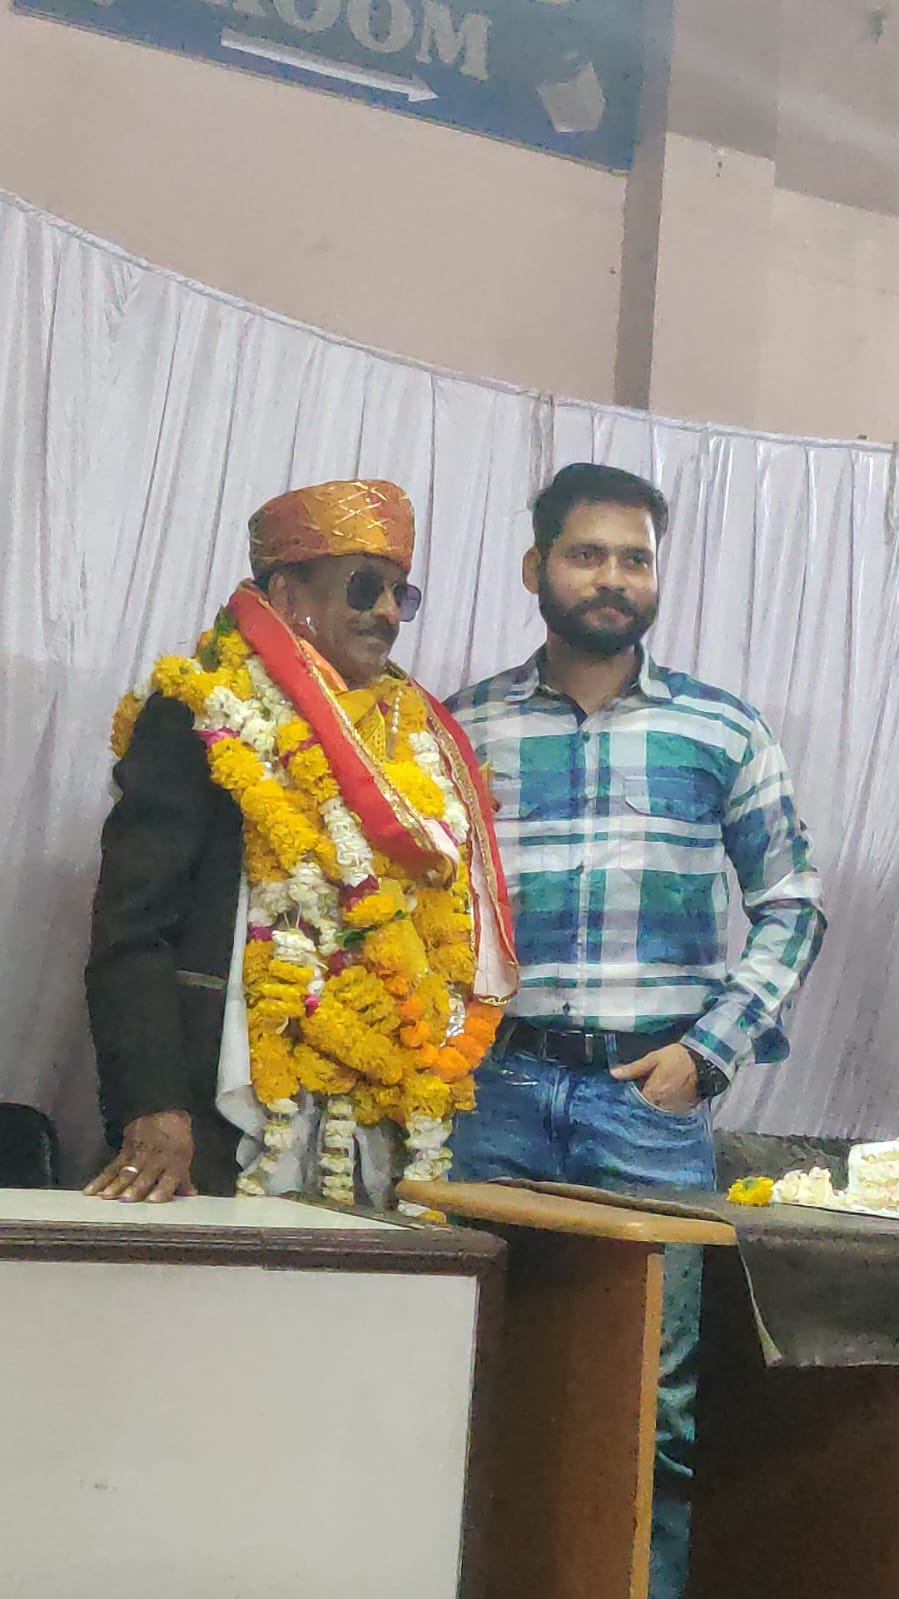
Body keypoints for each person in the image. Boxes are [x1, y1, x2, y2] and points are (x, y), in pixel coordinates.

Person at [447, 462, 825, 1599]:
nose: (611, 578)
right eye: (585, 554)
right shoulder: (462, 728)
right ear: (535, 567)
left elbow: (791, 902)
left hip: (645, 1110)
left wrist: (709, 1051)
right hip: (492, 1100)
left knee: (649, 1411)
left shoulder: (719, 728)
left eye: (633, 558)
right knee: (474, 1378)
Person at [85, 479, 516, 1208]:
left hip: (379, 1108)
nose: (388, 613)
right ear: (287, 594)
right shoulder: (203, 713)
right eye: (364, 587)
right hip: (222, 1116)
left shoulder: (416, 737)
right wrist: (153, 1104)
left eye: (401, 594)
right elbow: (132, 928)